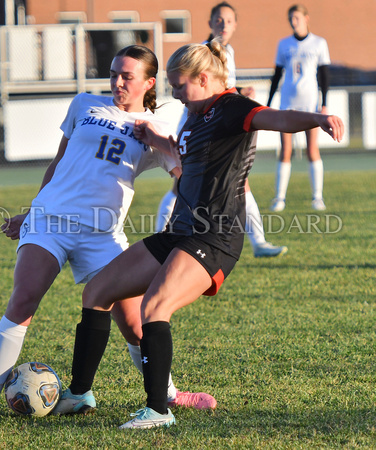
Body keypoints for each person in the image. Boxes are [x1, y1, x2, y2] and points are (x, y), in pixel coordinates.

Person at [60, 40, 344, 430]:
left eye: (179, 86)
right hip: (179, 230)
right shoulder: (195, 115)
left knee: (155, 307)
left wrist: (317, 117)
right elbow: (187, 156)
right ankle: (78, 394)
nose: (174, 94)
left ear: (204, 78)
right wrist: (157, 141)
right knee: (97, 292)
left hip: (213, 237)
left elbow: (278, 119)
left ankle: (158, 410)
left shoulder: (233, 108)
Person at [0, 45, 217, 423]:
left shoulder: (157, 127)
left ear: (148, 82)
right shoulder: (84, 104)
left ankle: (167, 394)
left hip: (102, 234)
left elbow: (182, 175)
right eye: (113, 73)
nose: (117, 82)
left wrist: (169, 154)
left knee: (134, 323)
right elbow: (59, 162)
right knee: (24, 299)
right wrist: (31, 211)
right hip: (51, 221)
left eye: (127, 76)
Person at [156, 2, 288, 258]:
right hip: (201, 126)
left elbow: (221, 91)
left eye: (228, 21)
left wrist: (240, 92)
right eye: (219, 20)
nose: (223, 25)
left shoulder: (228, 51)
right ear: (210, 23)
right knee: (181, 183)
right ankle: (162, 238)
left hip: (220, 124)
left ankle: (258, 241)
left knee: (239, 181)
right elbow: (206, 93)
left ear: (235, 25)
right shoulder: (202, 52)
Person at [267, 4, 331, 212]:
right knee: (285, 150)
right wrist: (269, 103)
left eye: (296, 18)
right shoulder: (283, 44)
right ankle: (279, 198)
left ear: (306, 18)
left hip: (310, 104)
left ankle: (317, 197)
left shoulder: (319, 43)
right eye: (290, 19)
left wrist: (324, 103)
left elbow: (324, 76)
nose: (293, 22)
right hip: (287, 103)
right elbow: (276, 75)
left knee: (312, 149)